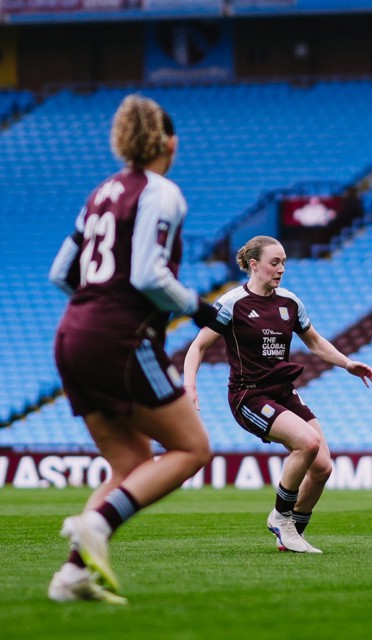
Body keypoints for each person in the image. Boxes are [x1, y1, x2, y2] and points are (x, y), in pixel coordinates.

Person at [46, 94, 217, 603]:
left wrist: (95, 308)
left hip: (72, 332)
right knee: (193, 448)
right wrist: (200, 308)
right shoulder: (161, 191)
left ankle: (72, 576)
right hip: (119, 337)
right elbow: (147, 274)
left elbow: (61, 273)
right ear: (170, 142)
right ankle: (96, 523)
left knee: (130, 464)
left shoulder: (102, 191)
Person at [182, 235, 372, 554]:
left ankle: (291, 535)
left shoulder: (290, 302)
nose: (281, 268)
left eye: (284, 262)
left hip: (284, 391)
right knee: (308, 443)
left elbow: (314, 342)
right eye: (275, 262)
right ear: (254, 265)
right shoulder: (233, 303)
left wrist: (347, 363)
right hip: (249, 396)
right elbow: (198, 346)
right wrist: (190, 385)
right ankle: (280, 518)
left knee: (323, 467)